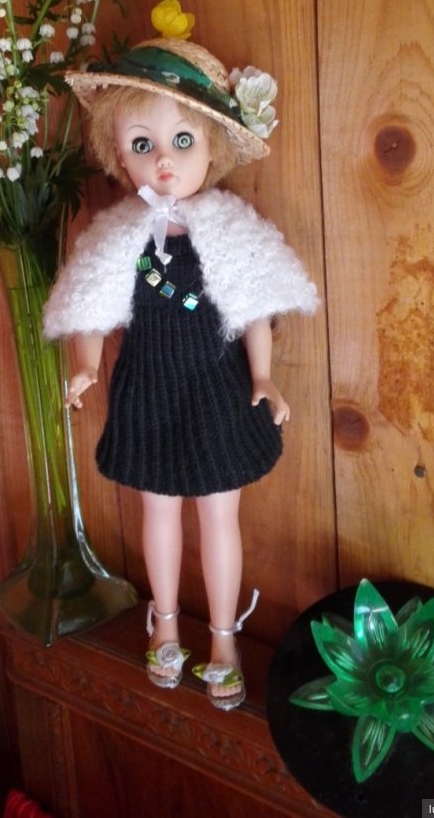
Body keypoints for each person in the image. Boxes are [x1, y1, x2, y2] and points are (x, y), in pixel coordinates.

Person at [43, 37, 319, 710]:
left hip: (218, 391)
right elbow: (90, 309)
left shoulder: (230, 228)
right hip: (148, 392)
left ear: (212, 149)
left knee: (220, 516)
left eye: (182, 140)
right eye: (142, 144)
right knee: (158, 512)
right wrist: (84, 366)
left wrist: (264, 378)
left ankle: (223, 640)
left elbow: (254, 311)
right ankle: (164, 625)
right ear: (118, 152)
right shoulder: (120, 235)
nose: (163, 159)